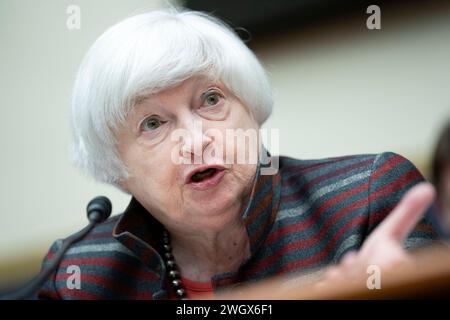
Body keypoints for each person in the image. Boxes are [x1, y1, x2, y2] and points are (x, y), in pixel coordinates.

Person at [38, 8, 438, 300]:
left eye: (211, 100)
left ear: (251, 109)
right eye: (153, 124)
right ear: (117, 166)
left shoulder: (366, 199)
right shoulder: (79, 276)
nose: (195, 141)